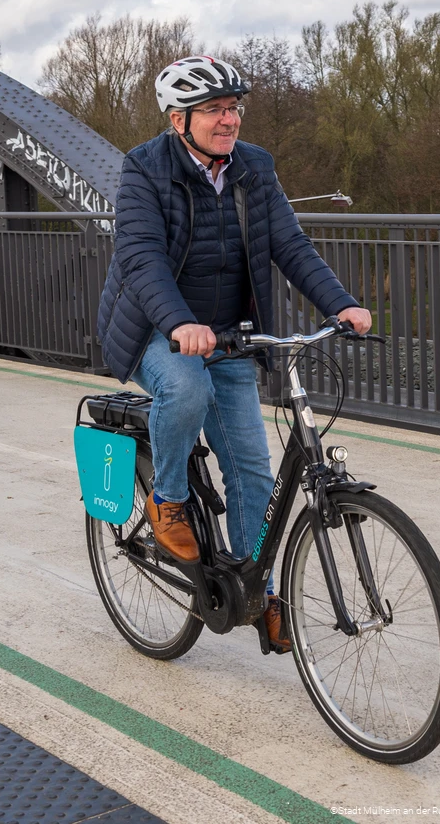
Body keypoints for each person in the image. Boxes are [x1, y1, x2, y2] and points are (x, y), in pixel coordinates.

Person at [96, 56, 372, 650]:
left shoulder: (254, 168)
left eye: (233, 108)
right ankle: (168, 501)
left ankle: (256, 588)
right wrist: (179, 324)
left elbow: (290, 246)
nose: (229, 120)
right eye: (215, 111)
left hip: (230, 333)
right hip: (155, 326)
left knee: (251, 466)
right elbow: (140, 258)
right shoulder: (143, 169)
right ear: (179, 121)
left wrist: (341, 304)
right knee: (185, 387)